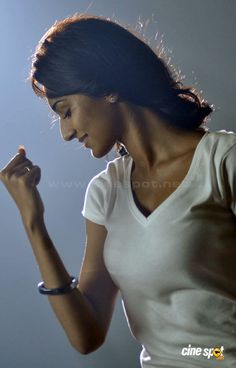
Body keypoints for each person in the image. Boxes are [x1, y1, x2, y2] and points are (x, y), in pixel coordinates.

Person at [0, 13, 236, 368]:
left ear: (108, 87)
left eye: (66, 111)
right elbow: (87, 336)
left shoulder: (222, 162)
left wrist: (201, 356)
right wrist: (33, 222)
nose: (65, 133)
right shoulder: (105, 193)